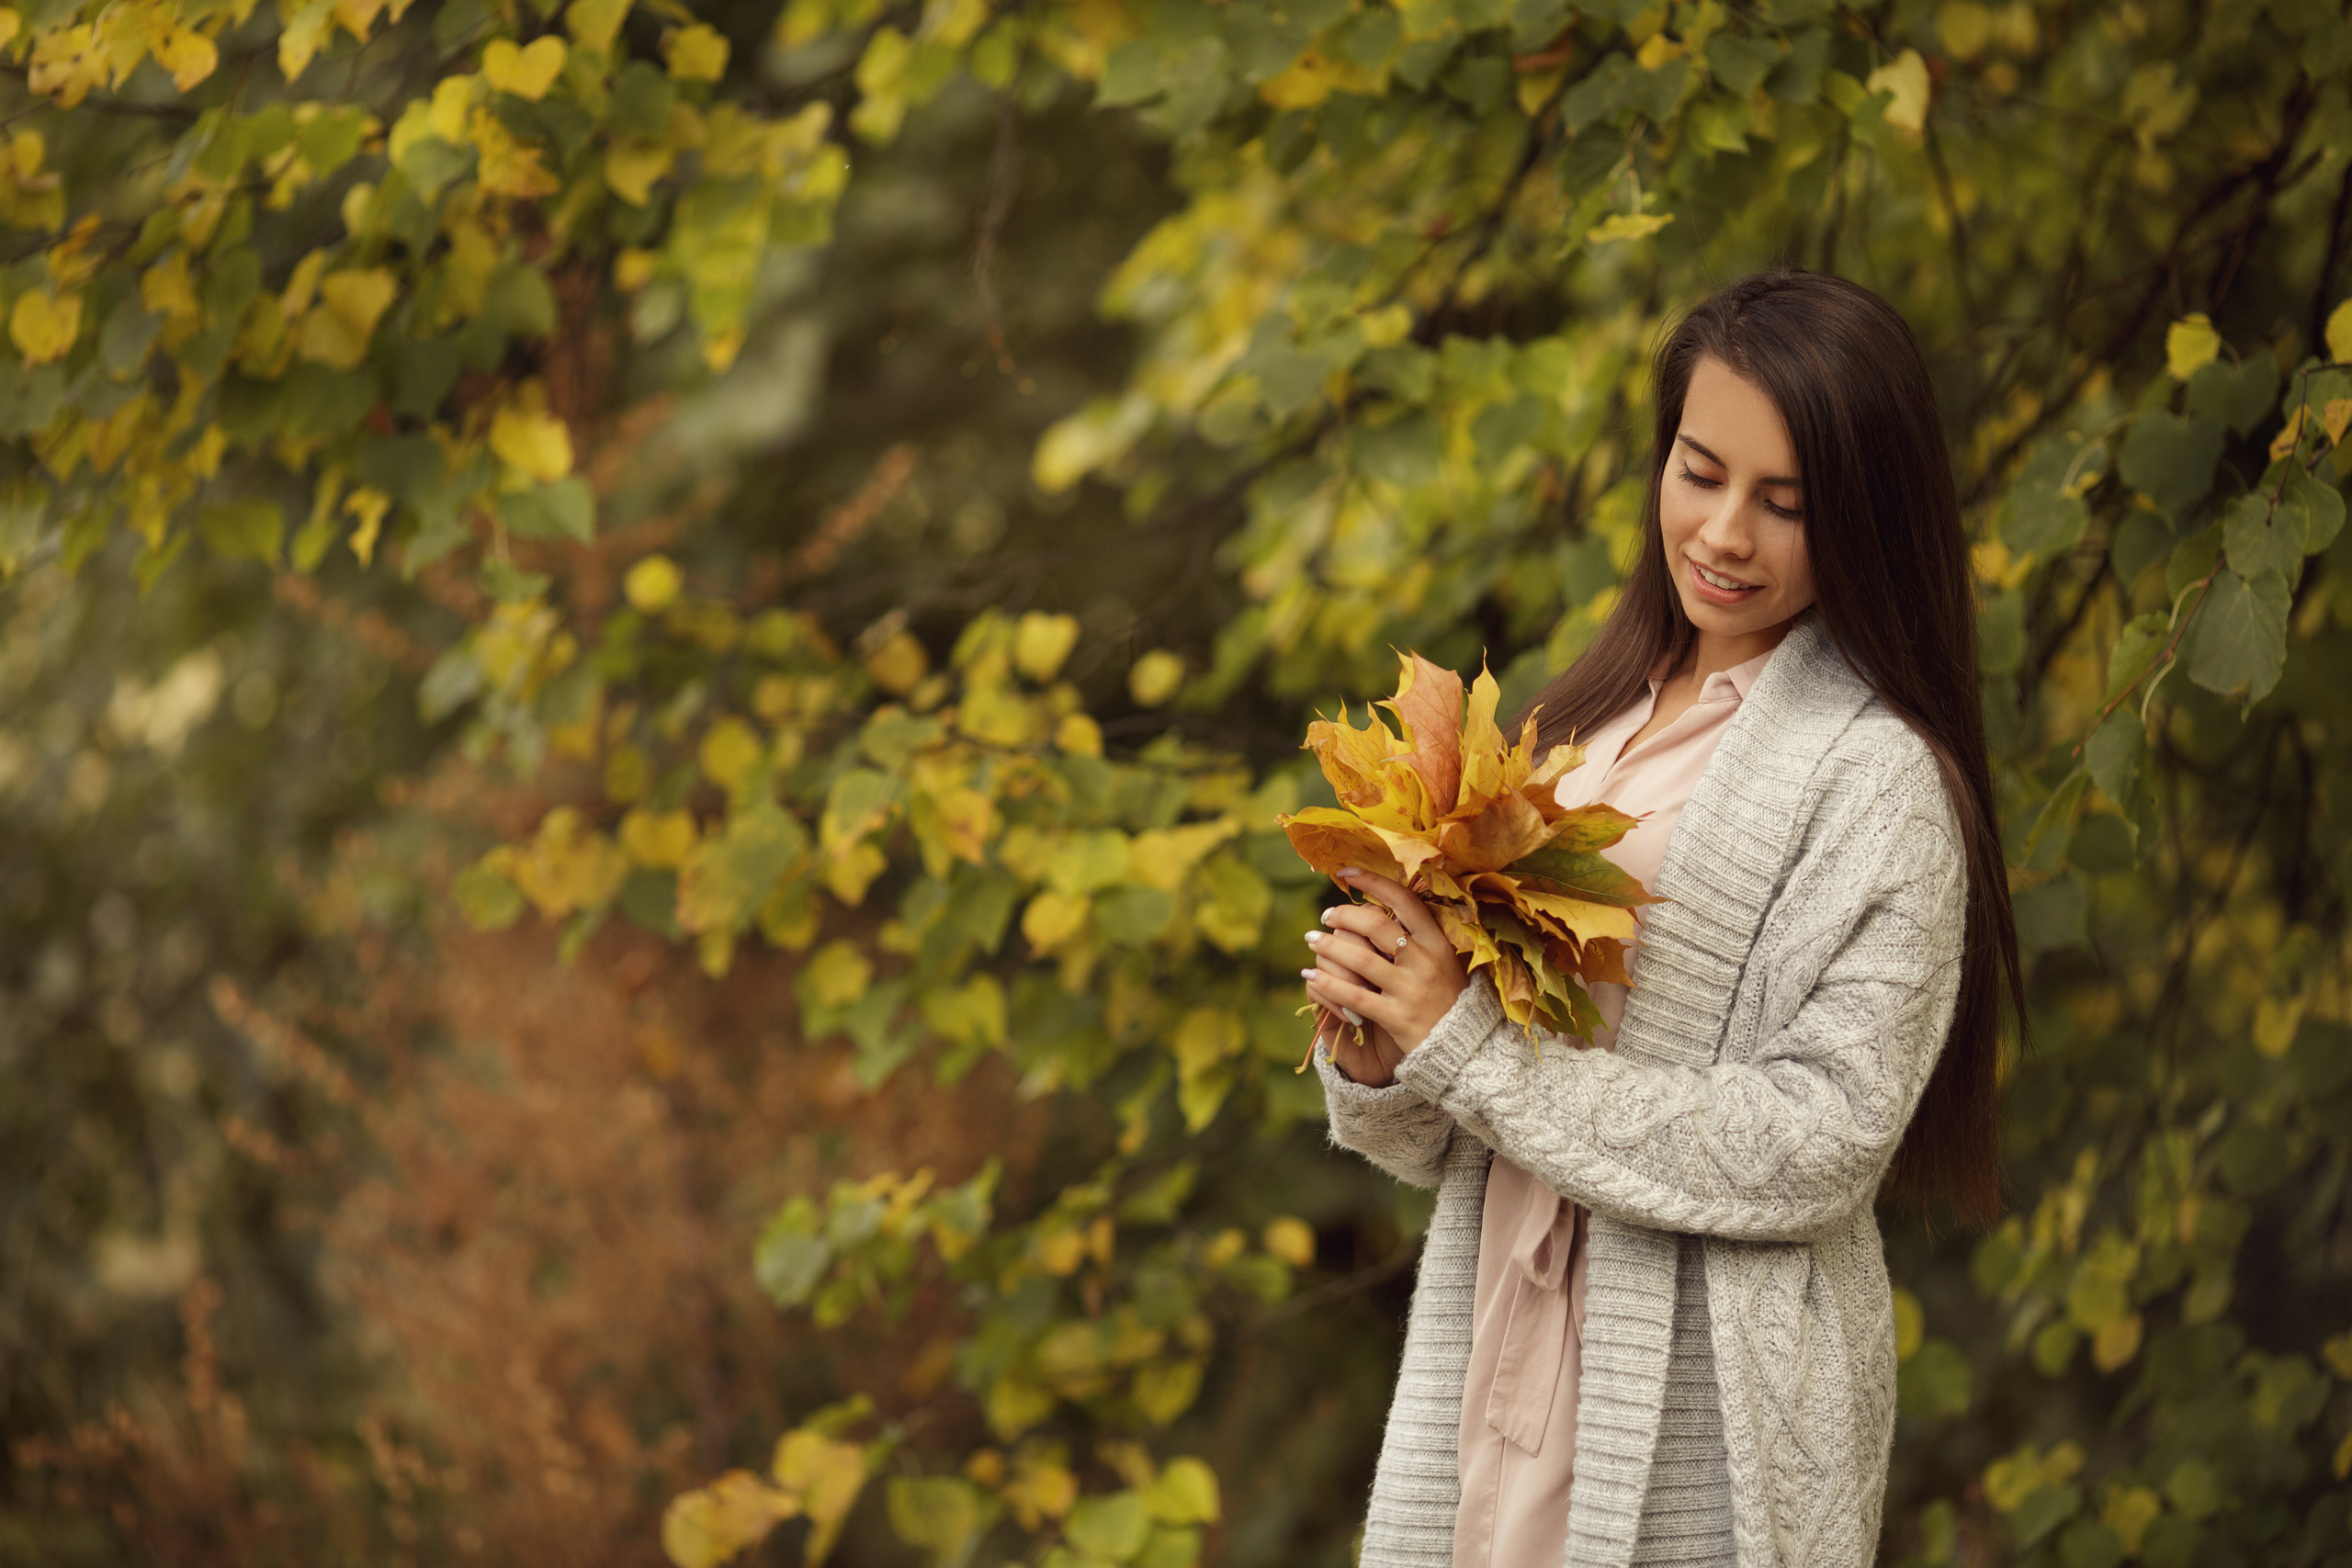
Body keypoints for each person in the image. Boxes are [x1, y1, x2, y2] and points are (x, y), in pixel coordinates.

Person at [1297, 269, 2021, 1568]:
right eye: (1699, 471)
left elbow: (1821, 1142)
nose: (1725, 533)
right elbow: (1469, 1121)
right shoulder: (1586, 727)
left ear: (1865, 516)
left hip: (1700, 1392)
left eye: (1784, 502)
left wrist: (1463, 1047)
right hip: (1495, 1337)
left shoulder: (1879, 782)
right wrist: (1382, 1054)